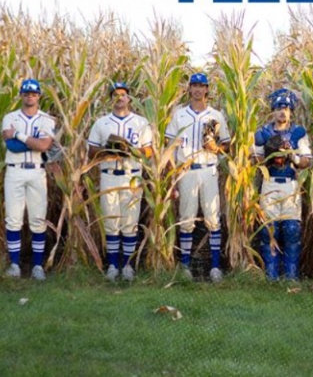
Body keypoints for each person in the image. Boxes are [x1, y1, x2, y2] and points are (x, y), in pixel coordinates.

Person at [165, 73, 231, 282]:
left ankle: (214, 268)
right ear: (189, 88)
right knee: (186, 219)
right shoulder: (179, 115)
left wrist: (216, 148)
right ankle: (185, 266)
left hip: (209, 169)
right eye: (194, 85)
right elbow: (171, 147)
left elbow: (228, 145)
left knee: (213, 218)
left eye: (201, 86)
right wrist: (171, 175)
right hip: (187, 170)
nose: (197, 90)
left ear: (206, 90)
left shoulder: (216, 115)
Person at [87, 82, 152, 282]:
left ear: (129, 99)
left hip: (132, 175)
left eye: (123, 94)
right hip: (109, 175)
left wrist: (129, 149)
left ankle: (128, 266)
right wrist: (109, 150)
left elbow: (148, 151)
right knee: (111, 222)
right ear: (111, 99)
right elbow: (91, 151)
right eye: (115, 95)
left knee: (130, 223)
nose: (120, 98)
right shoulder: (101, 123)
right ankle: (113, 265)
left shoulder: (140, 122)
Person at [253, 89, 312, 280]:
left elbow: (306, 161)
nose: (282, 112)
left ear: (291, 111)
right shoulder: (263, 133)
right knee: (269, 230)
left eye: (286, 108)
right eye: (279, 108)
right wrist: (270, 155)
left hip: (290, 183)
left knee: (291, 229)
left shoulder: (297, 133)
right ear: (273, 110)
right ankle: (271, 276)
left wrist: (290, 156)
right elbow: (254, 158)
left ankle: (291, 275)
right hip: (269, 184)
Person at [0, 79, 56, 280]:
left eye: (33, 93)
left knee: (38, 220)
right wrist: (34, 141)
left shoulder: (47, 119)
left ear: (38, 95)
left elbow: (43, 146)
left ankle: (37, 267)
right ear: (21, 95)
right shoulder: (10, 117)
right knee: (13, 219)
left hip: (37, 172)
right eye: (26, 93)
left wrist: (18, 135)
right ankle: (14, 265)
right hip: (14, 171)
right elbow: (12, 147)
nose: (29, 96)